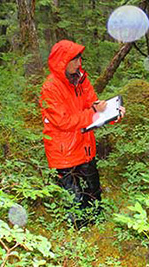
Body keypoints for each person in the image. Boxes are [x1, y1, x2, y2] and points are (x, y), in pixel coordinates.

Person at [40, 40, 125, 228]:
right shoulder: (50, 88)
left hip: (85, 146)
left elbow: (93, 106)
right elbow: (63, 121)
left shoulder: (81, 79)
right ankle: (79, 236)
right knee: (74, 200)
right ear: (62, 61)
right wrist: (94, 112)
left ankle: (97, 229)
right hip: (65, 152)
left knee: (93, 193)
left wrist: (112, 113)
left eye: (79, 58)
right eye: (74, 59)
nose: (78, 63)